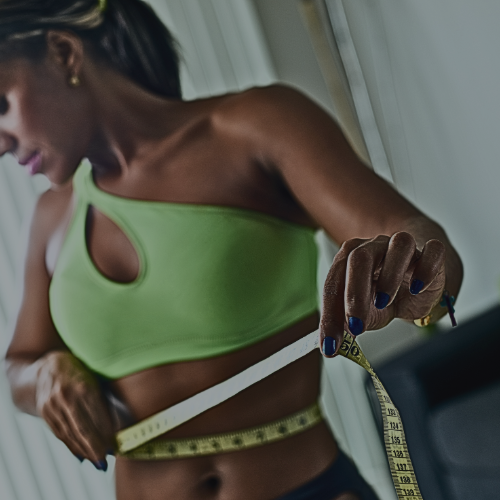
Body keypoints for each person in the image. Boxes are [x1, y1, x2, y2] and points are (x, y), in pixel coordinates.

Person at [1, 1, 463, 499]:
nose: (1, 144)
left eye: (1, 105)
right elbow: (18, 365)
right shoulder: (50, 218)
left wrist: (406, 266)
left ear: (64, 52)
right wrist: (47, 373)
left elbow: (428, 257)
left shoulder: (253, 128)